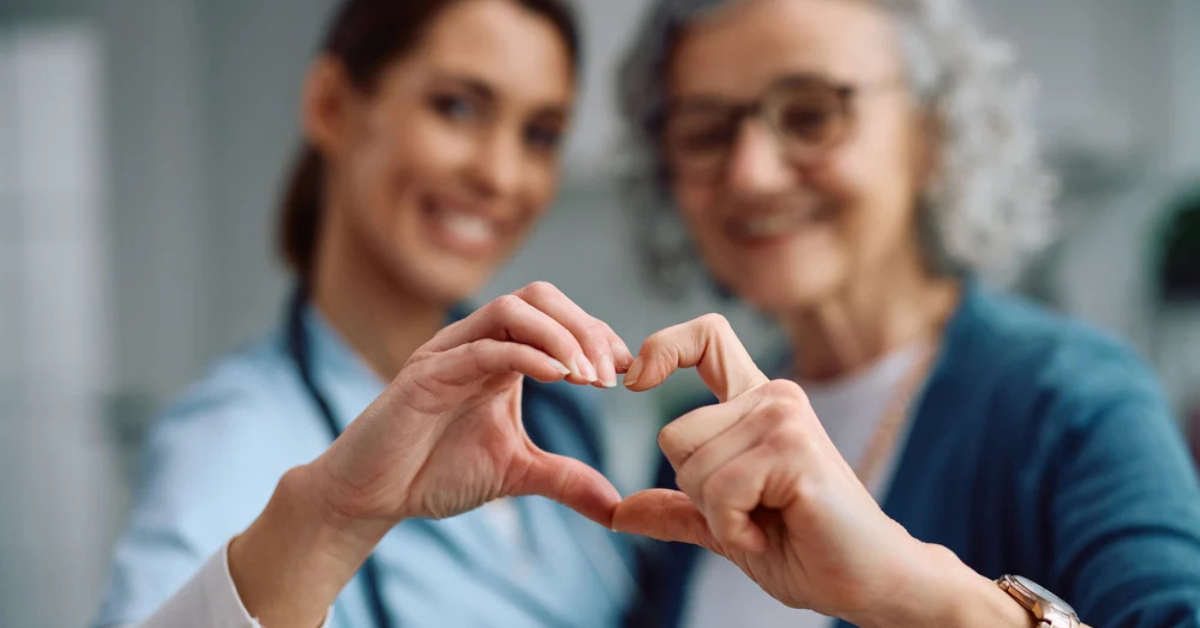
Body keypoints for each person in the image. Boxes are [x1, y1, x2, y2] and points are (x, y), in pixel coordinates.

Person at [613, 0, 1200, 626]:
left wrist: (915, 593)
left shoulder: (1072, 398)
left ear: (934, 134)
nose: (751, 174)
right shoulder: (699, 436)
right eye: (705, 132)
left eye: (811, 114)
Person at [92, 1, 641, 626]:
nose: (500, 174)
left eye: (539, 135)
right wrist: (327, 524)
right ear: (331, 105)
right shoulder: (234, 436)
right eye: (457, 107)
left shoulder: (558, 403)